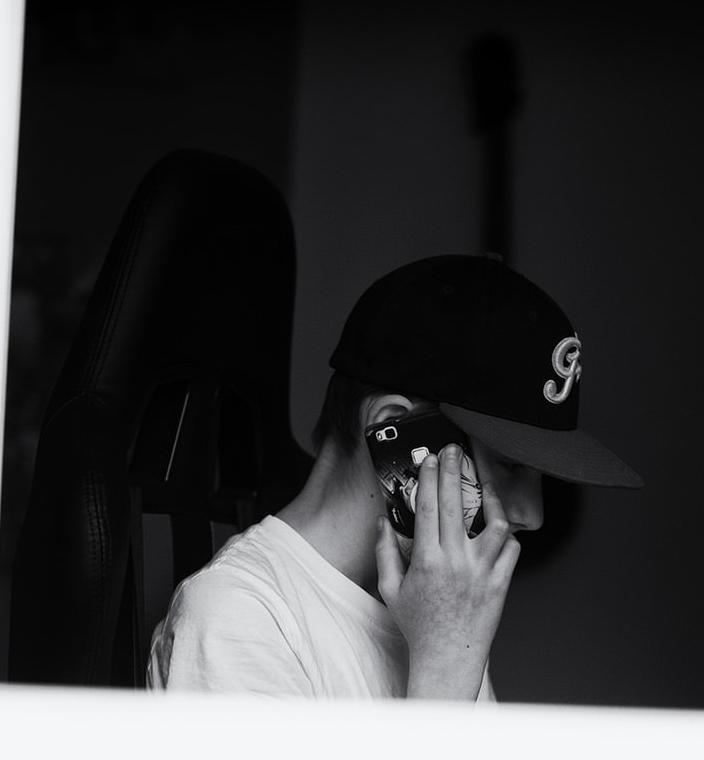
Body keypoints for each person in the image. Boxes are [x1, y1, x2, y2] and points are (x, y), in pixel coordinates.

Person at [146, 254, 642, 699]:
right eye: (511, 465)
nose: (533, 515)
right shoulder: (240, 619)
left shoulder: (437, 604)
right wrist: (445, 669)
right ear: (392, 430)